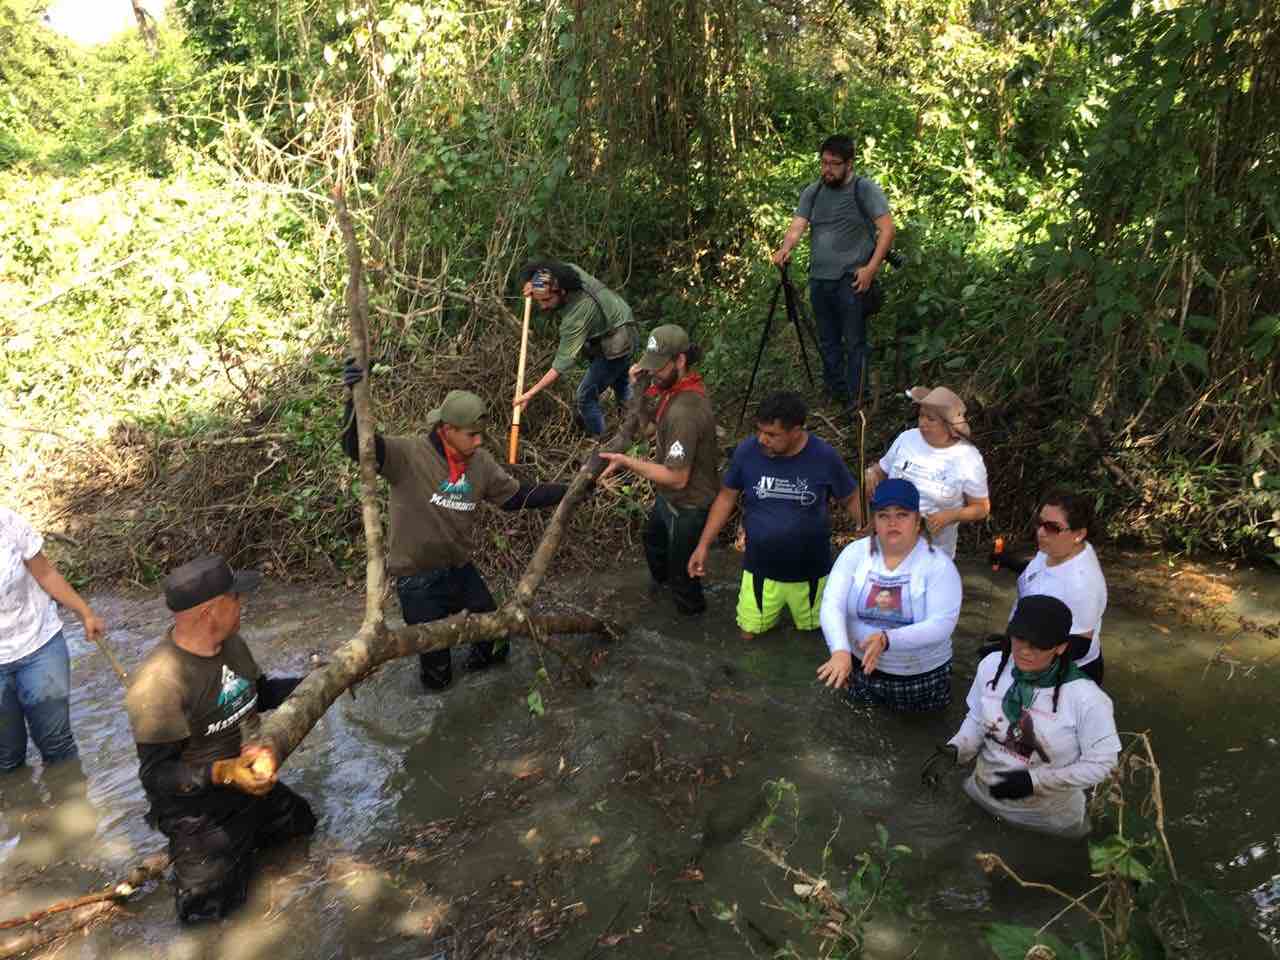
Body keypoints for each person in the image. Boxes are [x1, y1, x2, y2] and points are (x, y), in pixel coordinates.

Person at [341, 366, 567, 689]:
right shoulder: (407, 455)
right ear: (447, 429)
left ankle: (478, 690)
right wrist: (352, 399)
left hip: (459, 570)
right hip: (417, 581)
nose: (478, 441)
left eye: (480, 435)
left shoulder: (481, 463)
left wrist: (568, 491)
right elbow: (357, 447)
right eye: (471, 435)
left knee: (496, 639)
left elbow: (516, 497)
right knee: (438, 676)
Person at [124, 555, 316, 924]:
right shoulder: (157, 683)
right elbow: (157, 776)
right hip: (198, 810)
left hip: (247, 783)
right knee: (208, 917)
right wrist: (224, 771)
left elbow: (259, 693)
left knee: (302, 827)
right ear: (211, 611)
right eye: (236, 598)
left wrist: (320, 680)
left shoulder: (232, 644)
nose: (243, 604)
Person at [924, 594, 1120, 838]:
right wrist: (956, 749)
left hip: (1047, 821)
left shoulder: (1086, 698)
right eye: (1019, 639)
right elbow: (977, 718)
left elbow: (1103, 764)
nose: (1026, 651)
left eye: (1039, 645)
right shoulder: (991, 667)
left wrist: (1035, 782)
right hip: (982, 796)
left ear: (1061, 647)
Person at [687, 391, 858, 640]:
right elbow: (726, 497)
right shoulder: (747, 452)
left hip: (812, 572)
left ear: (796, 430)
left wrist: (874, 535)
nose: (762, 439)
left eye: (772, 434)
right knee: (748, 636)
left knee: (815, 637)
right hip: (760, 569)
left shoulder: (824, 457)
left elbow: (851, 498)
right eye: (760, 431)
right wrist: (702, 545)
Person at [599, 324, 719, 615]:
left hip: (688, 505)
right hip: (669, 500)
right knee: (653, 544)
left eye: (659, 368)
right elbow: (650, 430)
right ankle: (661, 601)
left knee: (683, 582)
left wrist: (627, 462)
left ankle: (690, 632)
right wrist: (637, 390)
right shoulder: (672, 391)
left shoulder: (685, 410)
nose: (653, 373)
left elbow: (678, 478)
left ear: (680, 361)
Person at [772, 133, 895, 408]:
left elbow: (887, 230)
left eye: (834, 163)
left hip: (851, 280)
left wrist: (870, 269)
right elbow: (797, 226)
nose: (827, 169)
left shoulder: (864, 189)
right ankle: (836, 392)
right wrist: (785, 248)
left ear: (849, 163)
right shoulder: (813, 192)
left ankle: (857, 400)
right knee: (828, 342)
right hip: (820, 280)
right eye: (824, 162)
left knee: (854, 342)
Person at [817, 478, 962, 712]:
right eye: (883, 515)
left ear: (917, 521)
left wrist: (887, 640)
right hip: (858, 667)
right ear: (874, 521)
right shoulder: (855, 553)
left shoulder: (938, 566)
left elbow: (942, 624)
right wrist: (840, 650)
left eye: (902, 514)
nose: (892, 522)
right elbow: (832, 604)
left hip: (919, 677)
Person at [1, 506, 105, 773]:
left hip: (40, 644)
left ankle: (73, 810)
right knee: (6, 759)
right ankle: (19, 813)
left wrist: (85, 613)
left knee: (57, 745)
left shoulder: (6, 521)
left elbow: (45, 573)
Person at [995, 491, 1108, 685]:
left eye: (1052, 528)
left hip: (1067, 672)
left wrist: (1016, 649)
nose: (1040, 532)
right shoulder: (1057, 550)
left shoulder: (1082, 585)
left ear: (1079, 534)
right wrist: (1010, 562)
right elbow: (1042, 575)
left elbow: (1080, 644)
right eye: (1040, 523)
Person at [864, 385, 989, 558]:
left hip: (934, 552)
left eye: (930, 419)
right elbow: (881, 469)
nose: (922, 422)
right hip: (891, 545)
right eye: (921, 415)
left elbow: (981, 508)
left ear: (949, 426)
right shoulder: (906, 439)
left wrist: (950, 516)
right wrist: (871, 473)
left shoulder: (968, 458)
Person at [514, 261, 636, 436]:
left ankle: (602, 445)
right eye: (539, 300)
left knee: (585, 397)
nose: (543, 306)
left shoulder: (576, 316)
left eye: (547, 300)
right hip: (625, 321)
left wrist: (530, 393)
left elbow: (561, 364)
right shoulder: (568, 272)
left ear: (562, 291)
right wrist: (532, 283)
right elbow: (548, 269)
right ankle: (635, 431)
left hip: (618, 341)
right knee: (622, 384)